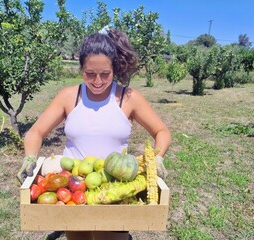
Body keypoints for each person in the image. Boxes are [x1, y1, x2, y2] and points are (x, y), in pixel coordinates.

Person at [17, 27, 171, 240]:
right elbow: (36, 131)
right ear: (80, 69)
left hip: (112, 186)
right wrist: (30, 157)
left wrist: (158, 157)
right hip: (73, 187)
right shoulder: (68, 96)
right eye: (90, 74)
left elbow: (161, 131)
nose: (97, 81)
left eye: (105, 74)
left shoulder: (128, 98)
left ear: (114, 69)